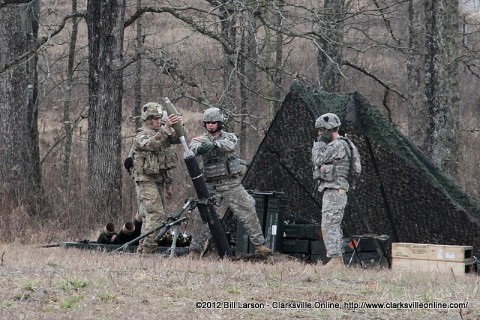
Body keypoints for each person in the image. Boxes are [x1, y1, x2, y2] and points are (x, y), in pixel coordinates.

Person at [188, 107, 271, 258]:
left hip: (231, 184)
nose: (210, 125)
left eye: (213, 122)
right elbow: (192, 149)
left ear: (220, 123)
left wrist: (214, 145)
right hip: (210, 186)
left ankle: (260, 246)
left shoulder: (230, 137)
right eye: (207, 123)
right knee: (203, 218)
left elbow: (229, 145)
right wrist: (200, 148)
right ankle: (194, 251)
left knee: (248, 210)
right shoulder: (199, 140)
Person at [131, 102, 183, 254]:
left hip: (160, 180)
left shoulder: (163, 133)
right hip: (145, 180)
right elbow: (150, 144)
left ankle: (143, 250)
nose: (157, 121)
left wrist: (179, 124)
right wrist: (166, 129)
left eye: (159, 118)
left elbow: (179, 139)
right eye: (154, 118)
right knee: (156, 215)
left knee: (151, 218)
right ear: (147, 119)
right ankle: (148, 250)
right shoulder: (141, 135)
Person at [312, 112, 355, 268]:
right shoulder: (342, 144)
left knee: (330, 224)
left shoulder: (337, 145)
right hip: (336, 190)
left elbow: (317, 159)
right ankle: (336, 259)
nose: (320, 134)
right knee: (331, 223)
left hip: (335, 191)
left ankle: (336, 259)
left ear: (328, 129)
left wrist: (319, 143)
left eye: (321, 131)